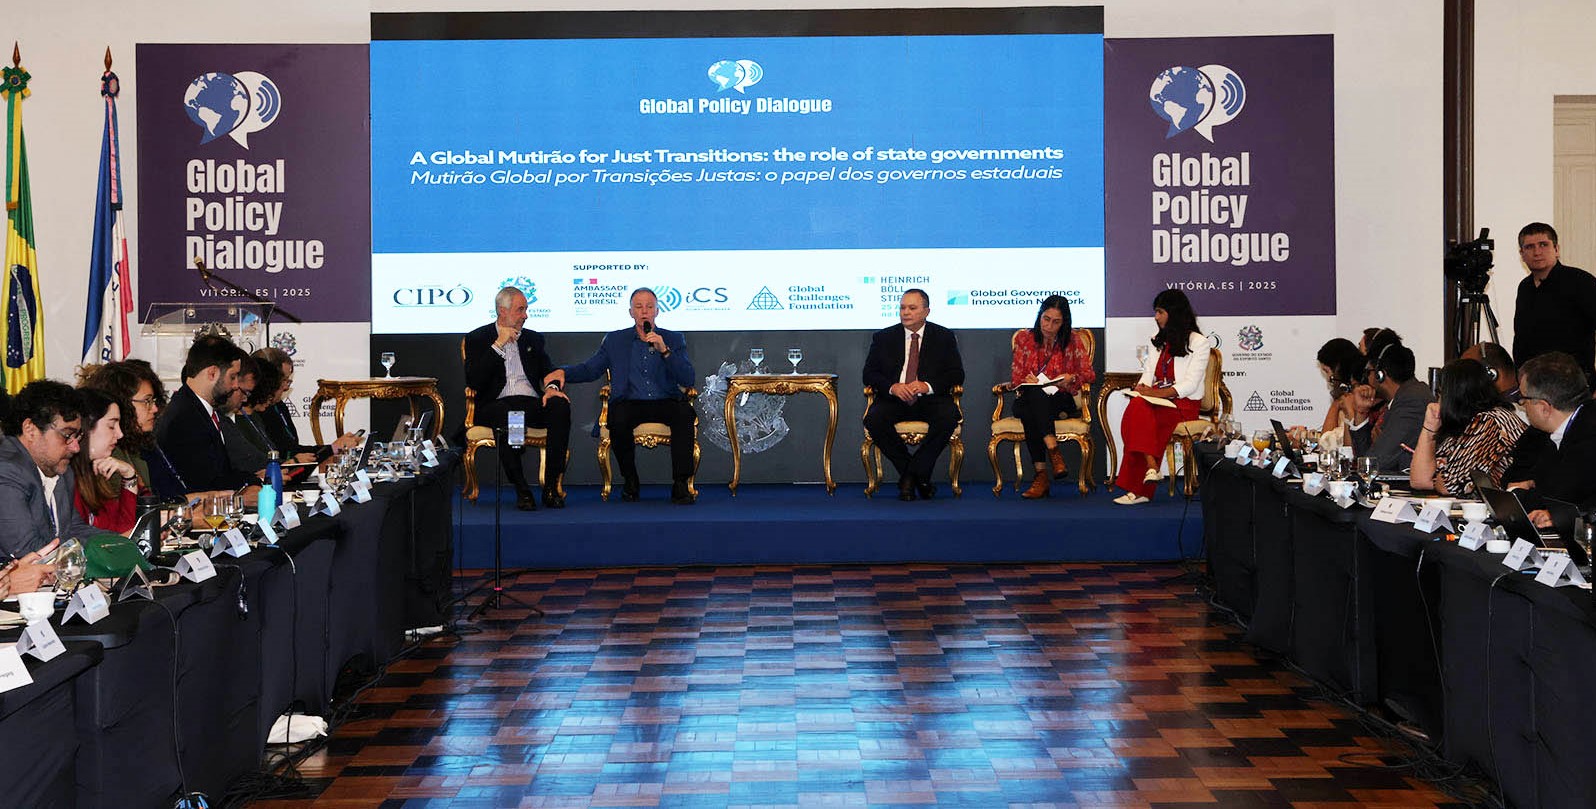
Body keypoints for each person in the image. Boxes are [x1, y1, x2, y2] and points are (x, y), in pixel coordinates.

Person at [545, 288, 697, 504]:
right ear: (631, 312)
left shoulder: (673, 339)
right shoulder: (615, 340)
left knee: (684, 414)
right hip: (631, 401)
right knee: (618, 417)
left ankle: (681, 483)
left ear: (657, 311)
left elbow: (688, 378)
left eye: (649, 307)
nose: (644, 312)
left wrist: (665, 351)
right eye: (639, 307)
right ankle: (630, 480)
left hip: (666, 400)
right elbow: (591, 369)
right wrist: (564, 372)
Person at [463, 286, 572, 510]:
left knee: (559, 405)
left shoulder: (533, 339)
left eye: (526, 310)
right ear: (502, 311)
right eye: (520, 310)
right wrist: (498, 345)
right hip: (496, 404)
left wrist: (551, 387)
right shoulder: (478, 338)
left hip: (530, 402)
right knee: (510, 418)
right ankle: (522, 490)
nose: (525, 315)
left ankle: (551, 487)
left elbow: (549, 370)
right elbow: (474, 381)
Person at [861, 289, 965, 502]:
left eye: (912, 308)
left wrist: (927, 385)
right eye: (902, 307)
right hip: (894, 399)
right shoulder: (883, 337)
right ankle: (918, 477)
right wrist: (893, 387)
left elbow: (956, 373)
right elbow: (869, 374)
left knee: (948, 416)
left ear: (926, 311)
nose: (905, 312)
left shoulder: (943, 336)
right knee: (873, 418)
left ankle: (910, 476)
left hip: (930, 399)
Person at [1113, 289, 1209, 505]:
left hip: (1182, 405)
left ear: (1173, 313)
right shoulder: (1160, 341)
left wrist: (1154, 393)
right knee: (1136, 407)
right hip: (1156, 402)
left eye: (1159, 312)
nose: (1156, 317)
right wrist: (1141, 387)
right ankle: (1150, 471)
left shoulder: (1199, 342)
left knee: (1138, 411)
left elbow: (1190, 384)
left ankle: (1141, 486)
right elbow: (1149, 374)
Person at [0, 381, 94, 577]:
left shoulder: (60, 469)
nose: (75, 447)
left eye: (78, 437)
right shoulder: (7, 470)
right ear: (30, 430)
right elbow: (29, 550)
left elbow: (73, 529)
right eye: (67, 435)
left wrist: (123, 541)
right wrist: (97, 553)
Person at [1007, 294, 1095, 499]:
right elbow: (1015, 378)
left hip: (1060, 397)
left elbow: (1089, 374)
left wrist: (1071, 377)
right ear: (1039, 316)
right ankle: (1053, 451)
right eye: (1046, 319)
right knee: (1032, 401)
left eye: (1056, 322)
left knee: (1028, 410)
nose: (1049, 326)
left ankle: (1041, 476)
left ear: (1064, 323)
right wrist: (1026, 378)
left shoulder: (1072, 340)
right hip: (1032, 396)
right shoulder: (1025, 338)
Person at [154, 335, 260, 495]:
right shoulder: (184, 418)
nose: (236, 385)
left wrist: (253, 479)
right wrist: (250, 482)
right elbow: (205, 482)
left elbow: (220, 472)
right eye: (232, 376)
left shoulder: (199, 410)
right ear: (212, 373)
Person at [1407, 359, 1525, 495]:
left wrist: (1440, 477)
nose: (1438, 401)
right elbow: (1420, 481)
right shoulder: (1465, 424)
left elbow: (1447, 485)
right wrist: (1429, 428)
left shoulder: (1490, 421)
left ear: (1452, 396)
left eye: (1440, 394)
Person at [1500, 351, 1596, 515]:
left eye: (1523, 399)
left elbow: (1554, 498)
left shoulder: (1588, 437)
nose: (1522, 404)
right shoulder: (1565, 430)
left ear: (1544, 408)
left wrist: (1516, 492)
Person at [1511, 222, 1596, 385]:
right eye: (1529, 247)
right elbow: (1521, 339)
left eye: (1543, 245)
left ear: (1556, 249)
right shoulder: (1525, 288)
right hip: (1535, 385)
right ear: (1522, 254)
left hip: (1575, 383)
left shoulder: (1581, 281)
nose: (1537, 252)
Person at [250, 347, 362, 460]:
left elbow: (294, 450)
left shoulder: (279, 406)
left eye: (288, 381)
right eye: (284, 380)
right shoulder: (258, 411)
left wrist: (332, 448)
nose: (285, 387)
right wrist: (332, 449)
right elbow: (287, 454)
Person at [1348, 343, 1433, 473]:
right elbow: (1367, 462)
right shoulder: (1404, 397)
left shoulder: (1411, 401)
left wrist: (1379, 446)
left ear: (1380, 375)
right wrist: (1361, 411)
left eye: (1368, 372)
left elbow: (1374, 463)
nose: (1367, 379)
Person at [70, 388, 141, 532]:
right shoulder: (66, 479)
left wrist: (129, 475)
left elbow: (124, 528)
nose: (120, 434)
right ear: (85, 427)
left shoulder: (94, 474)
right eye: (111, 426)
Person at [218, 355, 271, 478]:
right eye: (245, 392)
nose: (245, 398)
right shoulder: (214, 418)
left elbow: (251, 456)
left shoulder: (223, 419)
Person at [1314, 338, 1365, 432]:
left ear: (1338, 368)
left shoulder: (1357, 398)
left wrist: (1336, 403)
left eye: (1327, 371)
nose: (1329, 379)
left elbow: (1326, 442)